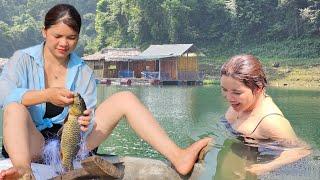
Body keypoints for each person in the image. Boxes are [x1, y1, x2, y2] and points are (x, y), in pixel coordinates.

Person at [0, 4, 211, 179]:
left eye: (71, 37)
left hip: (74, 145)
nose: (64, 43)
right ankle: (23, 172)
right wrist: (47, 95)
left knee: (125, 98)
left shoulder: (83, 71)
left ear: (78, 38)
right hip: (33, 144)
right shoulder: (22, 59)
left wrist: (85, 122)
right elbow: (5, 95)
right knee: (13, 108)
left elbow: (88, 117)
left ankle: (178, 156)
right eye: (57, 36)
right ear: (44, 31)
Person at [219, 54, 311, 175]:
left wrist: (266, 167)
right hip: (238, 157)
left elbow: (302, 150)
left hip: (256, 163)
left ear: (258, 89)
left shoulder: (271, 121)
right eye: (224, 89)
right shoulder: (241, 104)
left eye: (237, 92)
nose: (228, 98)